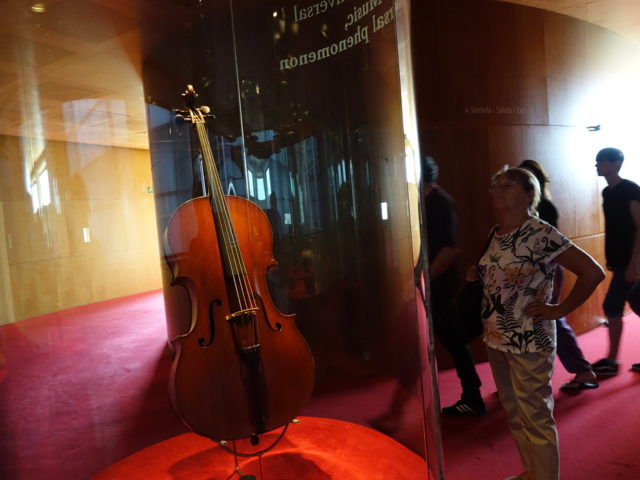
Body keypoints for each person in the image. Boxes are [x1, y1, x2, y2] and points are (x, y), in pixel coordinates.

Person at [473, 166, 604, 480]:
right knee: (515, 412)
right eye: (495, 185)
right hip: (496, 336)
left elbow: (592, 272)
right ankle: (533, 473)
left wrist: (560, 309)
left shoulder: (540, 233)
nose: (498, 189)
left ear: (528, 194)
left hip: (529, 338)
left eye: (507, 184)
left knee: (535, 415)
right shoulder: (496, 232)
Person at [415, 155, 486, 416]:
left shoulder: (440, 203)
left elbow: (449, 250)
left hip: (440, 286)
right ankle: (472, 395)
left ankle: (472, 397)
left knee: (452, 340)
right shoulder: (424, 201)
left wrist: (424, 280)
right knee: (447, 340)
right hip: (432, 284)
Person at [519, 160, 598, 390]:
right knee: (535, 319)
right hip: (531, 274)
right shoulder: (526, 211)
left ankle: (583, 370)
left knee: (553, 317)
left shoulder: (544, 208)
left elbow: (549, 249)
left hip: (548, 272)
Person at [590, 147, 640, 376]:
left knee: (612, 305)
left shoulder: (630, 190)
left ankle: (611, 361)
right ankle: (611, 360)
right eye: (597, 161)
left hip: (632, 261)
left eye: (602, 161)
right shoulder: (607, 193)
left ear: (616, 163)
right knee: (637, 304)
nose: (597, 165)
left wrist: (634, 263)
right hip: (620, 260)